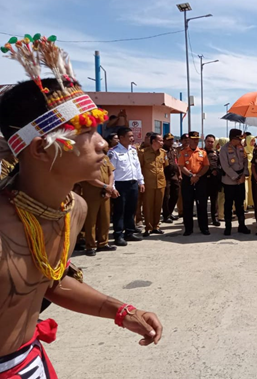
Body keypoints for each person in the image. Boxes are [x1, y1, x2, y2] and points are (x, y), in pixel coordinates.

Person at [0, 37, 161, 377]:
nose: (103, 143)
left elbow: (47, 281)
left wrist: (123, 311)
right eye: (85, 131)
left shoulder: (75, 208)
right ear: (41, 149)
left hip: (32, 362)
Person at [108, 127, 145, 246]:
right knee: (119, 211)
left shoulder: (133, 150)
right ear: (121, 138)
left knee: (131, 209)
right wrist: (112, 187)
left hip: (132, 183)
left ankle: (129, 232)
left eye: (132, 136)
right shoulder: (114, 152)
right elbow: (111, 171)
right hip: (120, 184)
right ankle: (118, 234)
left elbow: (137, 167)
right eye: (129, 136)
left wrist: (141, 181)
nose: (132, 138)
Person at [79, 147, 119, 256]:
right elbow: (89, 178)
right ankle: (90, 246)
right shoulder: (86, 159)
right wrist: (105, 186)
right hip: (92, 194)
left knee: (105, 219)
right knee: (91, 221)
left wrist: (110, 186)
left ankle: (103, 243)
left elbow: (111, 173)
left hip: (106, 193)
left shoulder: (105, 157)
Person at [178, 131, 210, 236]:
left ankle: (204, 227)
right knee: (187, 205)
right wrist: (191, 176)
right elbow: (181, 166)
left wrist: (198, 176)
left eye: (197, 139)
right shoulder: (183, 152)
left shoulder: (202, 152)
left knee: (202, 205)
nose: (195, 141)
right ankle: (188, 228)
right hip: (188, 180)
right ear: (189, 140)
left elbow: (206, 166)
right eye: (193, 139)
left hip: (200, 179)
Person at [219, 129, 251, 235]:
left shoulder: (241, 148)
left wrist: (243, 175)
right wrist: (236, 177)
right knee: (228, 204)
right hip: (229, 181)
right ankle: (228, 227)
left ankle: (242, 225)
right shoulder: (224, 150)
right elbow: (225, 166)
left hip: (241, 180)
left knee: (240, 204)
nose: (240, 141)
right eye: (239, 138)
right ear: (233, 139)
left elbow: (245, 162)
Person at [139, 133, 168, 237]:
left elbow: (164, 166)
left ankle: (156, 226)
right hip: (148, 184)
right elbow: (140, 168)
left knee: (158, 206)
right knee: (147, 206)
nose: (162, 142)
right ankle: (148, 227)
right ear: (153, 141)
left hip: (160, 183)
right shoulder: (143, 153)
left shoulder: (163, 153)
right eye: (160, 140)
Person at [162, 133, 181, 223]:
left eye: (172, 140)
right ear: (164, 141)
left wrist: (179, 174)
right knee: (166, 196)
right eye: (169, 140)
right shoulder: (162, 150)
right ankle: (166, 215)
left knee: (175, 194)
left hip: (174, 175)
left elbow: (177, 163)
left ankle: (170, 212)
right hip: (165, 175)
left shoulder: (174, 150)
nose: (171, 141)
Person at [204, 134, 222, 226]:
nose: (210, 143)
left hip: (214, 181)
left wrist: (217, 171)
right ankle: (203, 220)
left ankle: (214, 218)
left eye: (212, 142)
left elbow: (220, 164)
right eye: (208, 141)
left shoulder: (217, 153)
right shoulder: (201, 152)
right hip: (203, 181)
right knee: (203, 202)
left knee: (214, 201)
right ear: (205, 142)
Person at [216, 137, 229, 221]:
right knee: (222, 197)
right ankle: (221, 215)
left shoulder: (221, 152)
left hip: (224, 177)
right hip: (222, 177)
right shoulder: (221, 153)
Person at [244, 134, 255, 211]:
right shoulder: (244, 150)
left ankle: (252, 203)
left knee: (252, 189)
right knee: (246, 190)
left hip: (253, 173)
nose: (253, 142)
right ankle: (245, 205)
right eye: (251, 141)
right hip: (246, 173)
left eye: (254, 141)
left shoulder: (255, 150)